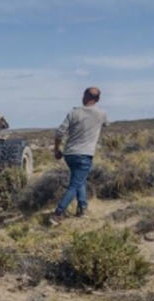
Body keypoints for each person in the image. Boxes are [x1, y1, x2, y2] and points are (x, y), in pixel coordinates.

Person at [51, 87, 108, 223]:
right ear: (98, 99)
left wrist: (57, 149)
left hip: (70, 153)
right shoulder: (101, 114)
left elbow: (59, 132)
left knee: (79, 180)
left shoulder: (74, 113)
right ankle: (58, 213)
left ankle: (82, 208)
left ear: (84, 97)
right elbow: (106, 124)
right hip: (85, 154)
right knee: (75, 184)